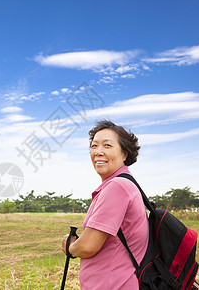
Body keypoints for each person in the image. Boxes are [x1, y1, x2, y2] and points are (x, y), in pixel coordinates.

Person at [61, 120, 149, 289]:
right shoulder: (125, 184)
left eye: (107, 145)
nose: (98, 152)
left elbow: (88, 246)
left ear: (124, 154)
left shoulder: (117, 187)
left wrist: (70, 247)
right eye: (94, 146)